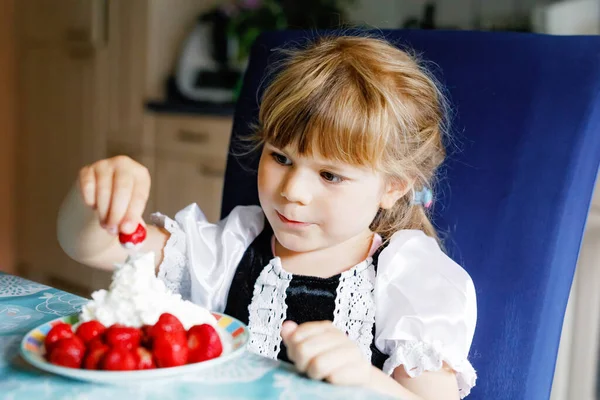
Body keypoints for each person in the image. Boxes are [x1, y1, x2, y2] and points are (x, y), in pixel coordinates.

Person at [57, 35, 477, 399]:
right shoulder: (230, 247)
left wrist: (365, 381)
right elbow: (90, 246)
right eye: (280, 157)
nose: (292, 191)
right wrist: (95, 195)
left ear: (393, 187)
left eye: (330, 174)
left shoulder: (410, 279)